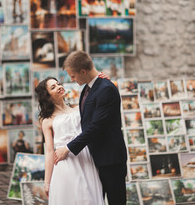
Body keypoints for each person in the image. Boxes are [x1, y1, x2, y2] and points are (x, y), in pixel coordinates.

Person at [54, 51, 127, 205]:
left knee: (116, 201)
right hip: (95, 159)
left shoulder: (106, 89)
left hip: (110, 159)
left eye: (73, 76)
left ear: (83, 71)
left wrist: (67, 148)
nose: (72, 80)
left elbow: (96, 127)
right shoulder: (89, 87)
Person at [35, 76, 106, 205]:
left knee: (89, 198)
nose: (59, 87)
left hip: (86, 159)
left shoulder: (79, 109)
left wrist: (100, 80)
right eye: (53, 87)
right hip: (66, 164)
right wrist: (47, 182)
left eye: (58, 84)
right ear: (47, 96)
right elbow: (50, 152)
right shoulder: (47, 121)